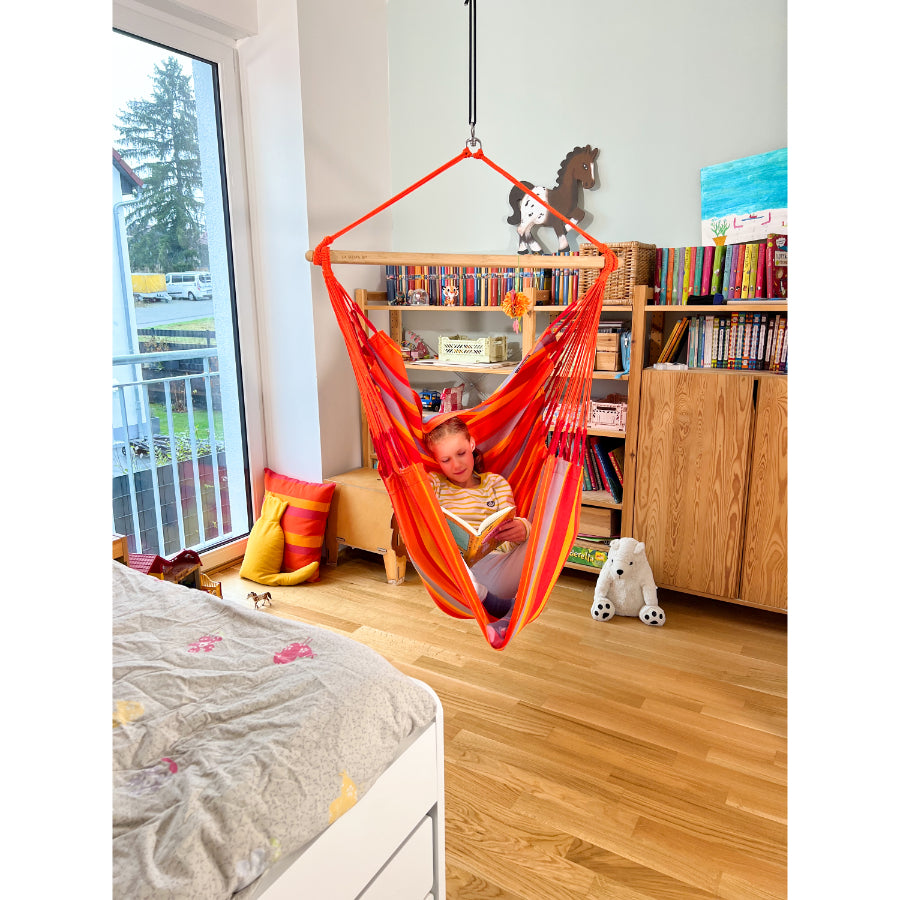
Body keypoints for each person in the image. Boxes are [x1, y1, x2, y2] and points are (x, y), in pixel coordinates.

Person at [423, 416, 531, 646]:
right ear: (436, 461)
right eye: (446, 459)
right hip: (454, 570)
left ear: (472, 444)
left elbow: (510, 531)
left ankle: (503, 607)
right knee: (452, 557)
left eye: (461, 453)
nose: (457, 465)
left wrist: (523, 528)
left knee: (542, 533)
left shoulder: (495, 484)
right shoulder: (436, 484)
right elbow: (415, 503)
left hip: (497, 566)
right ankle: (502, 611)